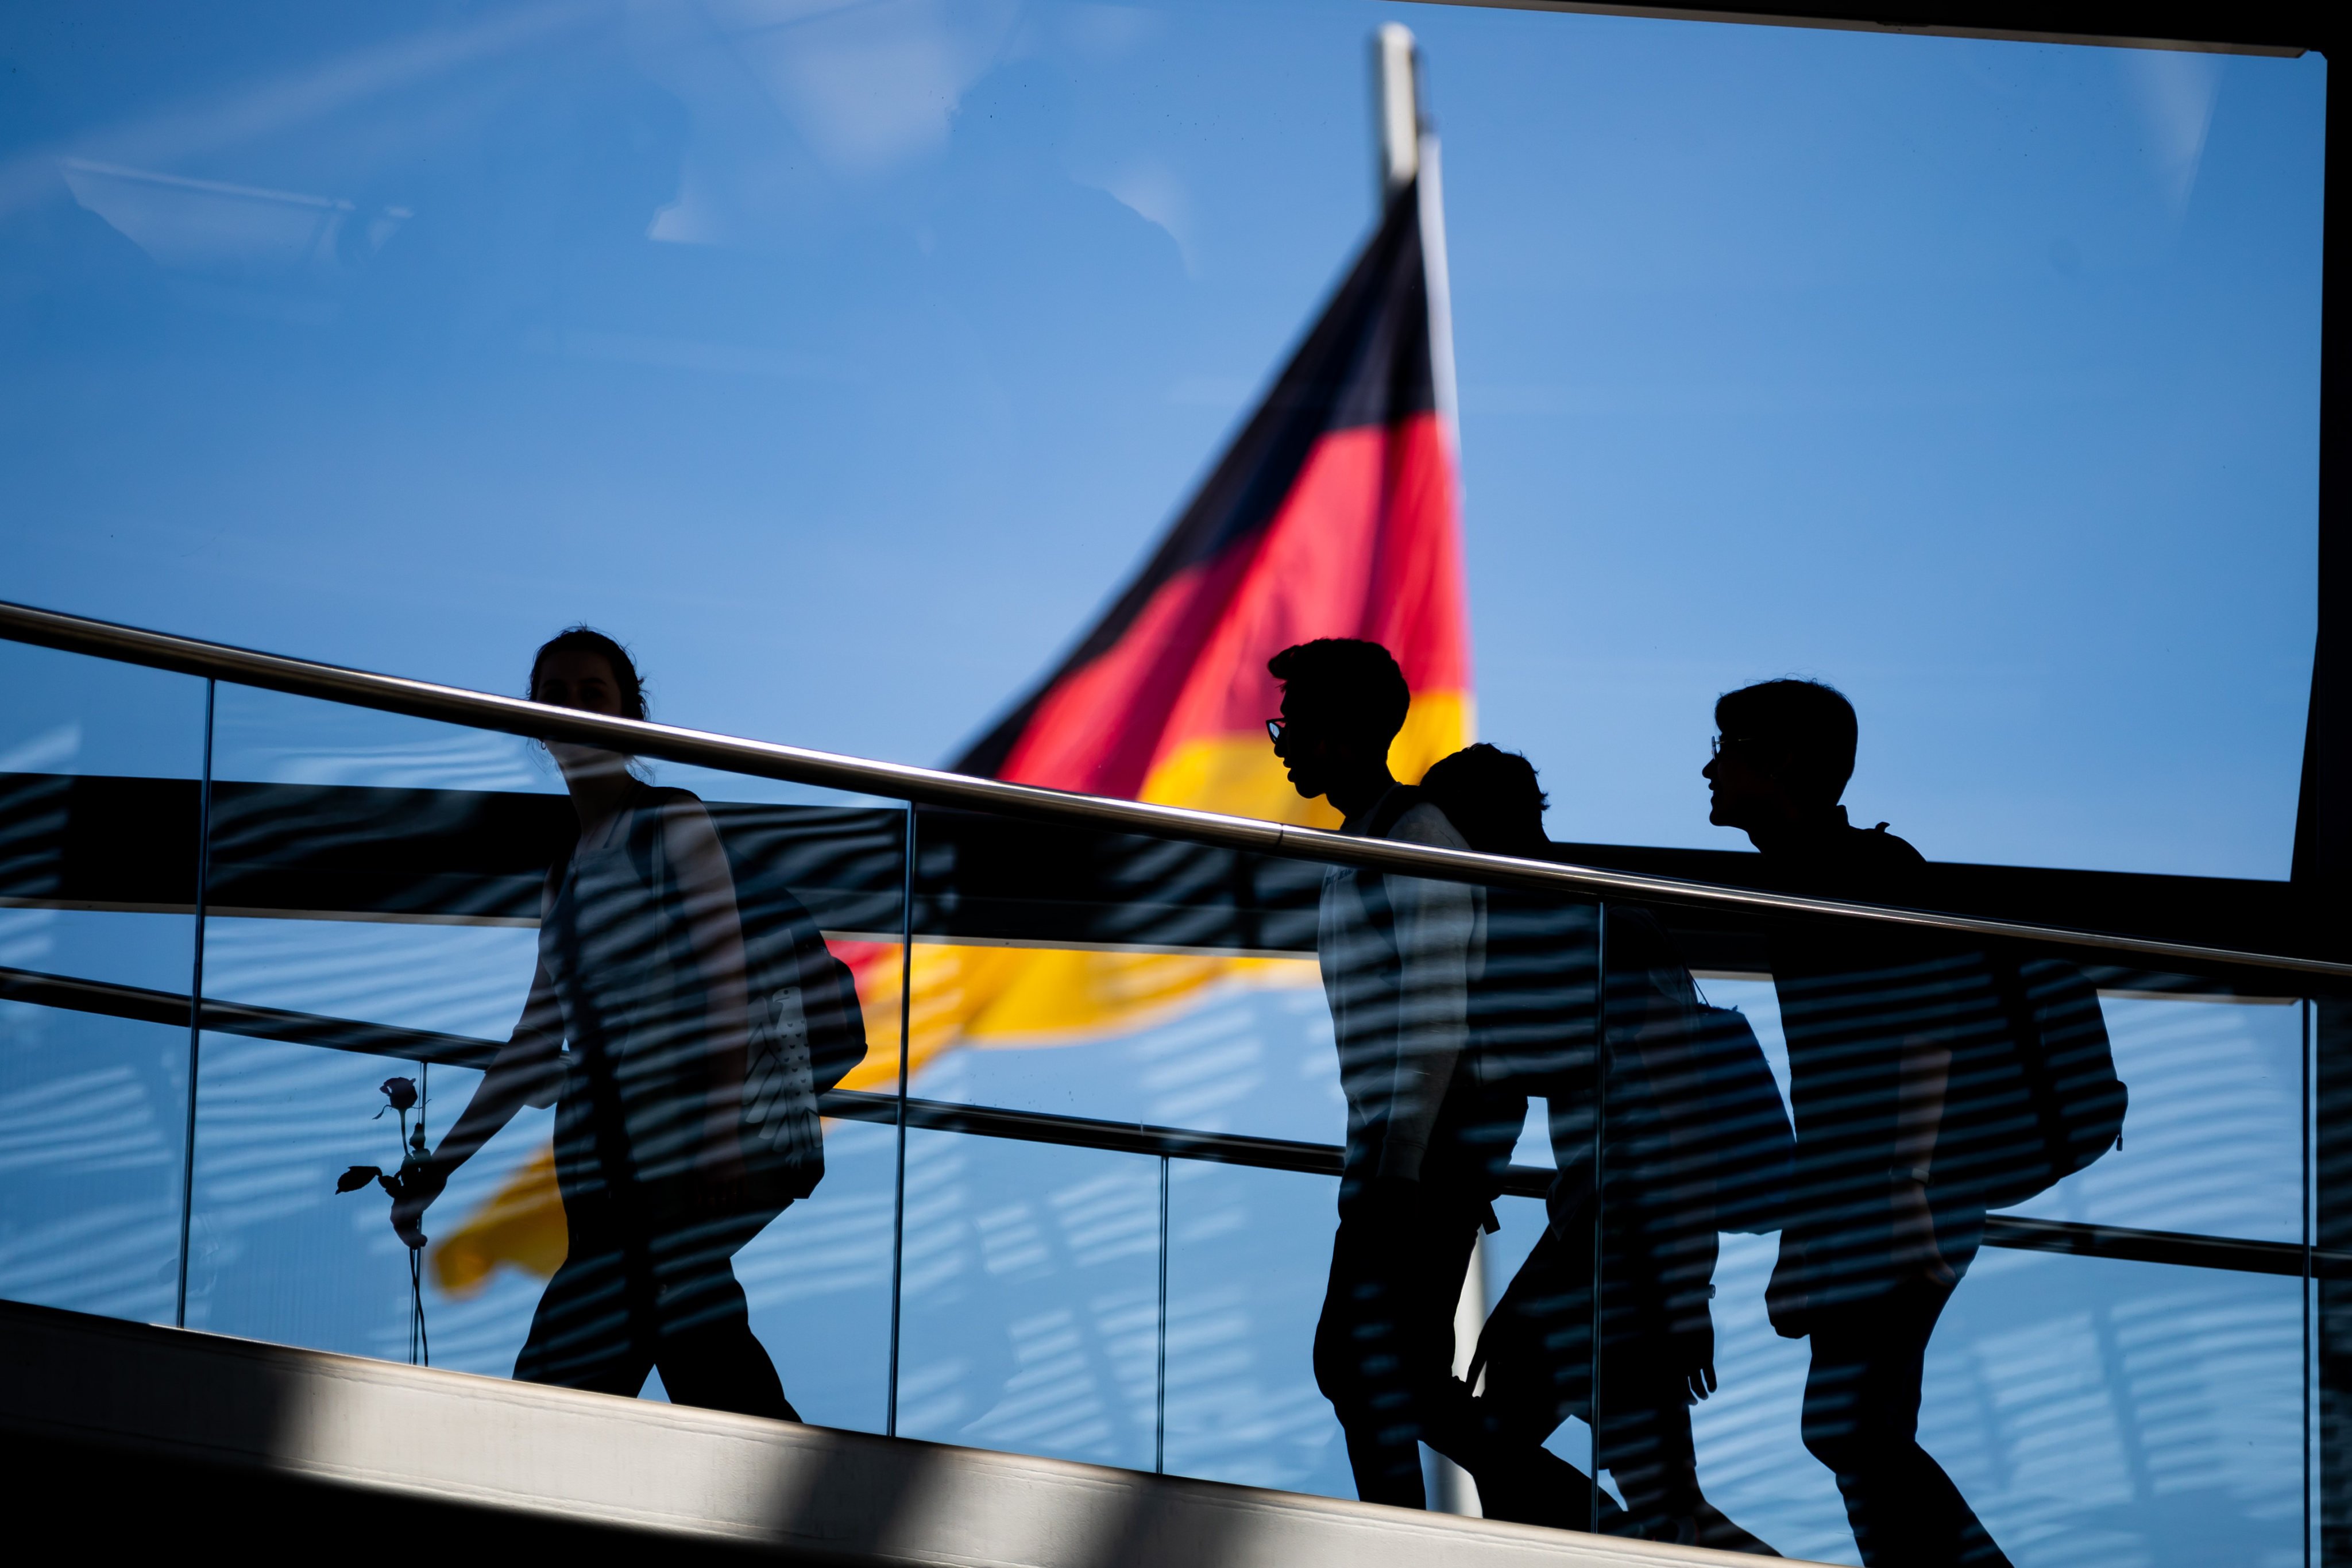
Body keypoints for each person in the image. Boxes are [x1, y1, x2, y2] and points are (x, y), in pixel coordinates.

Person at [389, 627, 795, 1420]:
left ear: (631, 714)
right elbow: (538, 1038)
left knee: (578, 1375)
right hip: (600, 1149)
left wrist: (718, 1133)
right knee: (700, 1351)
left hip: (670, 1140)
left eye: (594, 693)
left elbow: (725, 978)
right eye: (557, 695)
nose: (573, 709)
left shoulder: (670, 821)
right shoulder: (565, 866)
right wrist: (442, 1164)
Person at [1419, 745, 1772, 1553]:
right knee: (1642, 1493)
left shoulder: (1588, 917)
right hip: (1603, 1237)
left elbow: (1678, 1114)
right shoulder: (1571, 913)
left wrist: (1688, 1294)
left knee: (1654, 1502)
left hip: (1626, 1244)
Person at [1704, 679, 2009, 1567]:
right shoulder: (1800, 874)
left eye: (1729, 746)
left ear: (1784, 761)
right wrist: (1806, 1230)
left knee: (1850, 1427)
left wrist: (1910, 1191)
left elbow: (1929, 1029)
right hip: (1860, 1190)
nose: (1710, 765)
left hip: (1905, 1187)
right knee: (1848, 1431)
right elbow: (1834, 1082)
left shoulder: (1867, 872)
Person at [1268, 638, 1505, 1508]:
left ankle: (1535, 1515)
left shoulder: (1416, 837)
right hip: (1394, 1152)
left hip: (1419, 1153)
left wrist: (1398, 1166)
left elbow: (1436, 1015)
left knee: (1361, 1364)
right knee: (1377, 1369)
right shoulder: (1365, 842)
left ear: (1343, 733)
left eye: (1294, 726)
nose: (1285, 743)